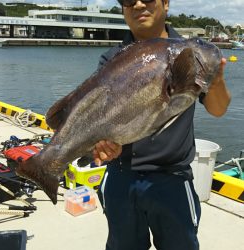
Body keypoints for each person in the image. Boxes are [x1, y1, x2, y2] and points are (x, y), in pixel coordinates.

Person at [93, 1, 231, 250]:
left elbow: (218, 109)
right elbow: (103, 118)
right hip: (120, 177)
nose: (137, 5)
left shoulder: (189, 52)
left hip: (172, 179)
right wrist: (102, 144)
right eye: (128, 0)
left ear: (165, 4)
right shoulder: (112, 58)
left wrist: (217, 80)